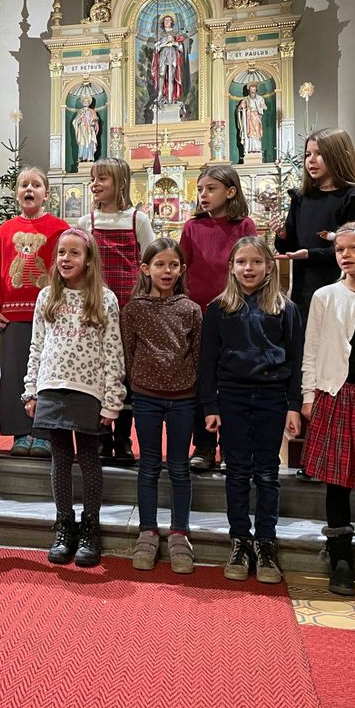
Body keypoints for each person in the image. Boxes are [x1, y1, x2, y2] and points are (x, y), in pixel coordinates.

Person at [200, 237, 303, 584]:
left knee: (267, 473)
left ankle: (266, 541)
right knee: (237, 471)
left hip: (273, 397)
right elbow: (207, 362)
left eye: (256, 262)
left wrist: (293, 405)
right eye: (241, 262)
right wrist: (210, 405)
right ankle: (240, 540)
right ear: (231, 267)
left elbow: (296, 358)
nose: (248, 268)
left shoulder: (285, 308)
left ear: (269, 266)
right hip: (232, 396)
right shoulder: (218, 309)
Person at [23, 228, 125, 567]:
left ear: (89, 259)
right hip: (51, 385)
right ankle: (64, 524)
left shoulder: (105, 299)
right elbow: (36, 346)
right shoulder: (47, 297)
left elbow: (113, 352)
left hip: (89, 389)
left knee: (90, 459)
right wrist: (30, 389)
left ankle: (90, 527)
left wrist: (113, 400)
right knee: (60, 458)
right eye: (61, 254)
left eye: (74, 253)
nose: (66, 259)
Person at [299, 221, 355, 597]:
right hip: (335, 393)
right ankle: (340, 555)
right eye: (340, 249)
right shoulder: (325, 296)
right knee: (338, 480)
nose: (345, 255)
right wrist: (308, 394)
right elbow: (311, 349)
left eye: (354, 249)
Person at [122, 239, 202, 573]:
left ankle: (180, 532)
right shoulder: (134, 309)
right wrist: (136, 383)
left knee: (180, 467)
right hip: (147, 397)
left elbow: (197, 354)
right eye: (159, 265)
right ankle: (148, 530)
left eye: (172, 265)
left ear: (181, 270)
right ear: (146, 269)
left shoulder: (191, 309)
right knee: (150, 465)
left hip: (184, 398)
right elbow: (128, 352)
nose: (166, 271)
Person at [0, 167, 68, 458]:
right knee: (15, 375)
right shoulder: (5, 231)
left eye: (36, 185)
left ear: (46, 194)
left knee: (48, 376)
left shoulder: (59, 228)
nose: (29, 189)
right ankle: (21, 433)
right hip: (13, 317)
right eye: (23, 185)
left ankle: (44, 433)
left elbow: (66, 268)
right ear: (17, 192)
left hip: (50, 317)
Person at [78, 157, 155, 464]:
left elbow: (149, 263)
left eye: (102, 179)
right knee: (98, 371)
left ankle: (123, 437)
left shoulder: (138, 219)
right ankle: (100, 436)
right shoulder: (87, 223)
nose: (95, 185)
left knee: (124, 374)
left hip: (129, 306)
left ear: (120, 183)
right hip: (96, 307)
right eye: (93, 179)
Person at [180, 165, 256, 471]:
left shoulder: (245, 225)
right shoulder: (192, 227)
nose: (203, 195)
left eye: (210, 189)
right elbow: (183, 269)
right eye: (200, 190)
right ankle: (205, 445)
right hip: (200, 313)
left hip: (237, 311)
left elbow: (253, 265)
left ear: (231, 192)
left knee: (235, 380)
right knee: (204, 381)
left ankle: (234, 446)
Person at [273, 128, 355, 321]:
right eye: (308, 154)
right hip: (305, 288)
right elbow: (289, 247)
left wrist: (310, 254)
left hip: (342, 285)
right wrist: (283, 235)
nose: (311, 160)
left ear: (339, 156)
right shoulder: (301, 198)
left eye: (320, 154)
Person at [151, 14, 187, 106]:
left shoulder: (176, 33)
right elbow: (156, 47)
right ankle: (160, 95)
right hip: (163, 55)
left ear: (172, 22)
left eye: (169, 20)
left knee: (171, 77)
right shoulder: (160, 34)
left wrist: (174, 42)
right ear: (163, 23)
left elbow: (181, 48)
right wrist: (165, 42)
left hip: (172, 55)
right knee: (161, 74)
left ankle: (170, 98)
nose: (167, 22)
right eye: (165, 20)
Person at [238, 83, 267, 160]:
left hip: (256, 117)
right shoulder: (245, 99)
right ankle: (249, 148)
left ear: (256, 90)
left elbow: (265, 107)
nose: (252, 91)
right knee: (249, 133)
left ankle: (257, 148)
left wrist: (261, 106)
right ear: (249, 90)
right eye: (251, 90)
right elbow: (240, 108)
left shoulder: (260, 98)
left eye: (254, 89)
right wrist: (242, 107)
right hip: (249, 117)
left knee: (257, 132)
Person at [71, 95, 100, 163]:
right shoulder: (80, 111)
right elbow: (75, 122)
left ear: (89, 102)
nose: (86, 102)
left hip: (90, 129)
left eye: (87, 101)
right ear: (82, 103)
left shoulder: (92, 111)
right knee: (82, 143)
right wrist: (80, 117)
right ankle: (82, 158)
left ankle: (90, 158)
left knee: (90, 143)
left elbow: (95, 120)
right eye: (84, 101)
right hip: (82, 129)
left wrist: (94, 122)